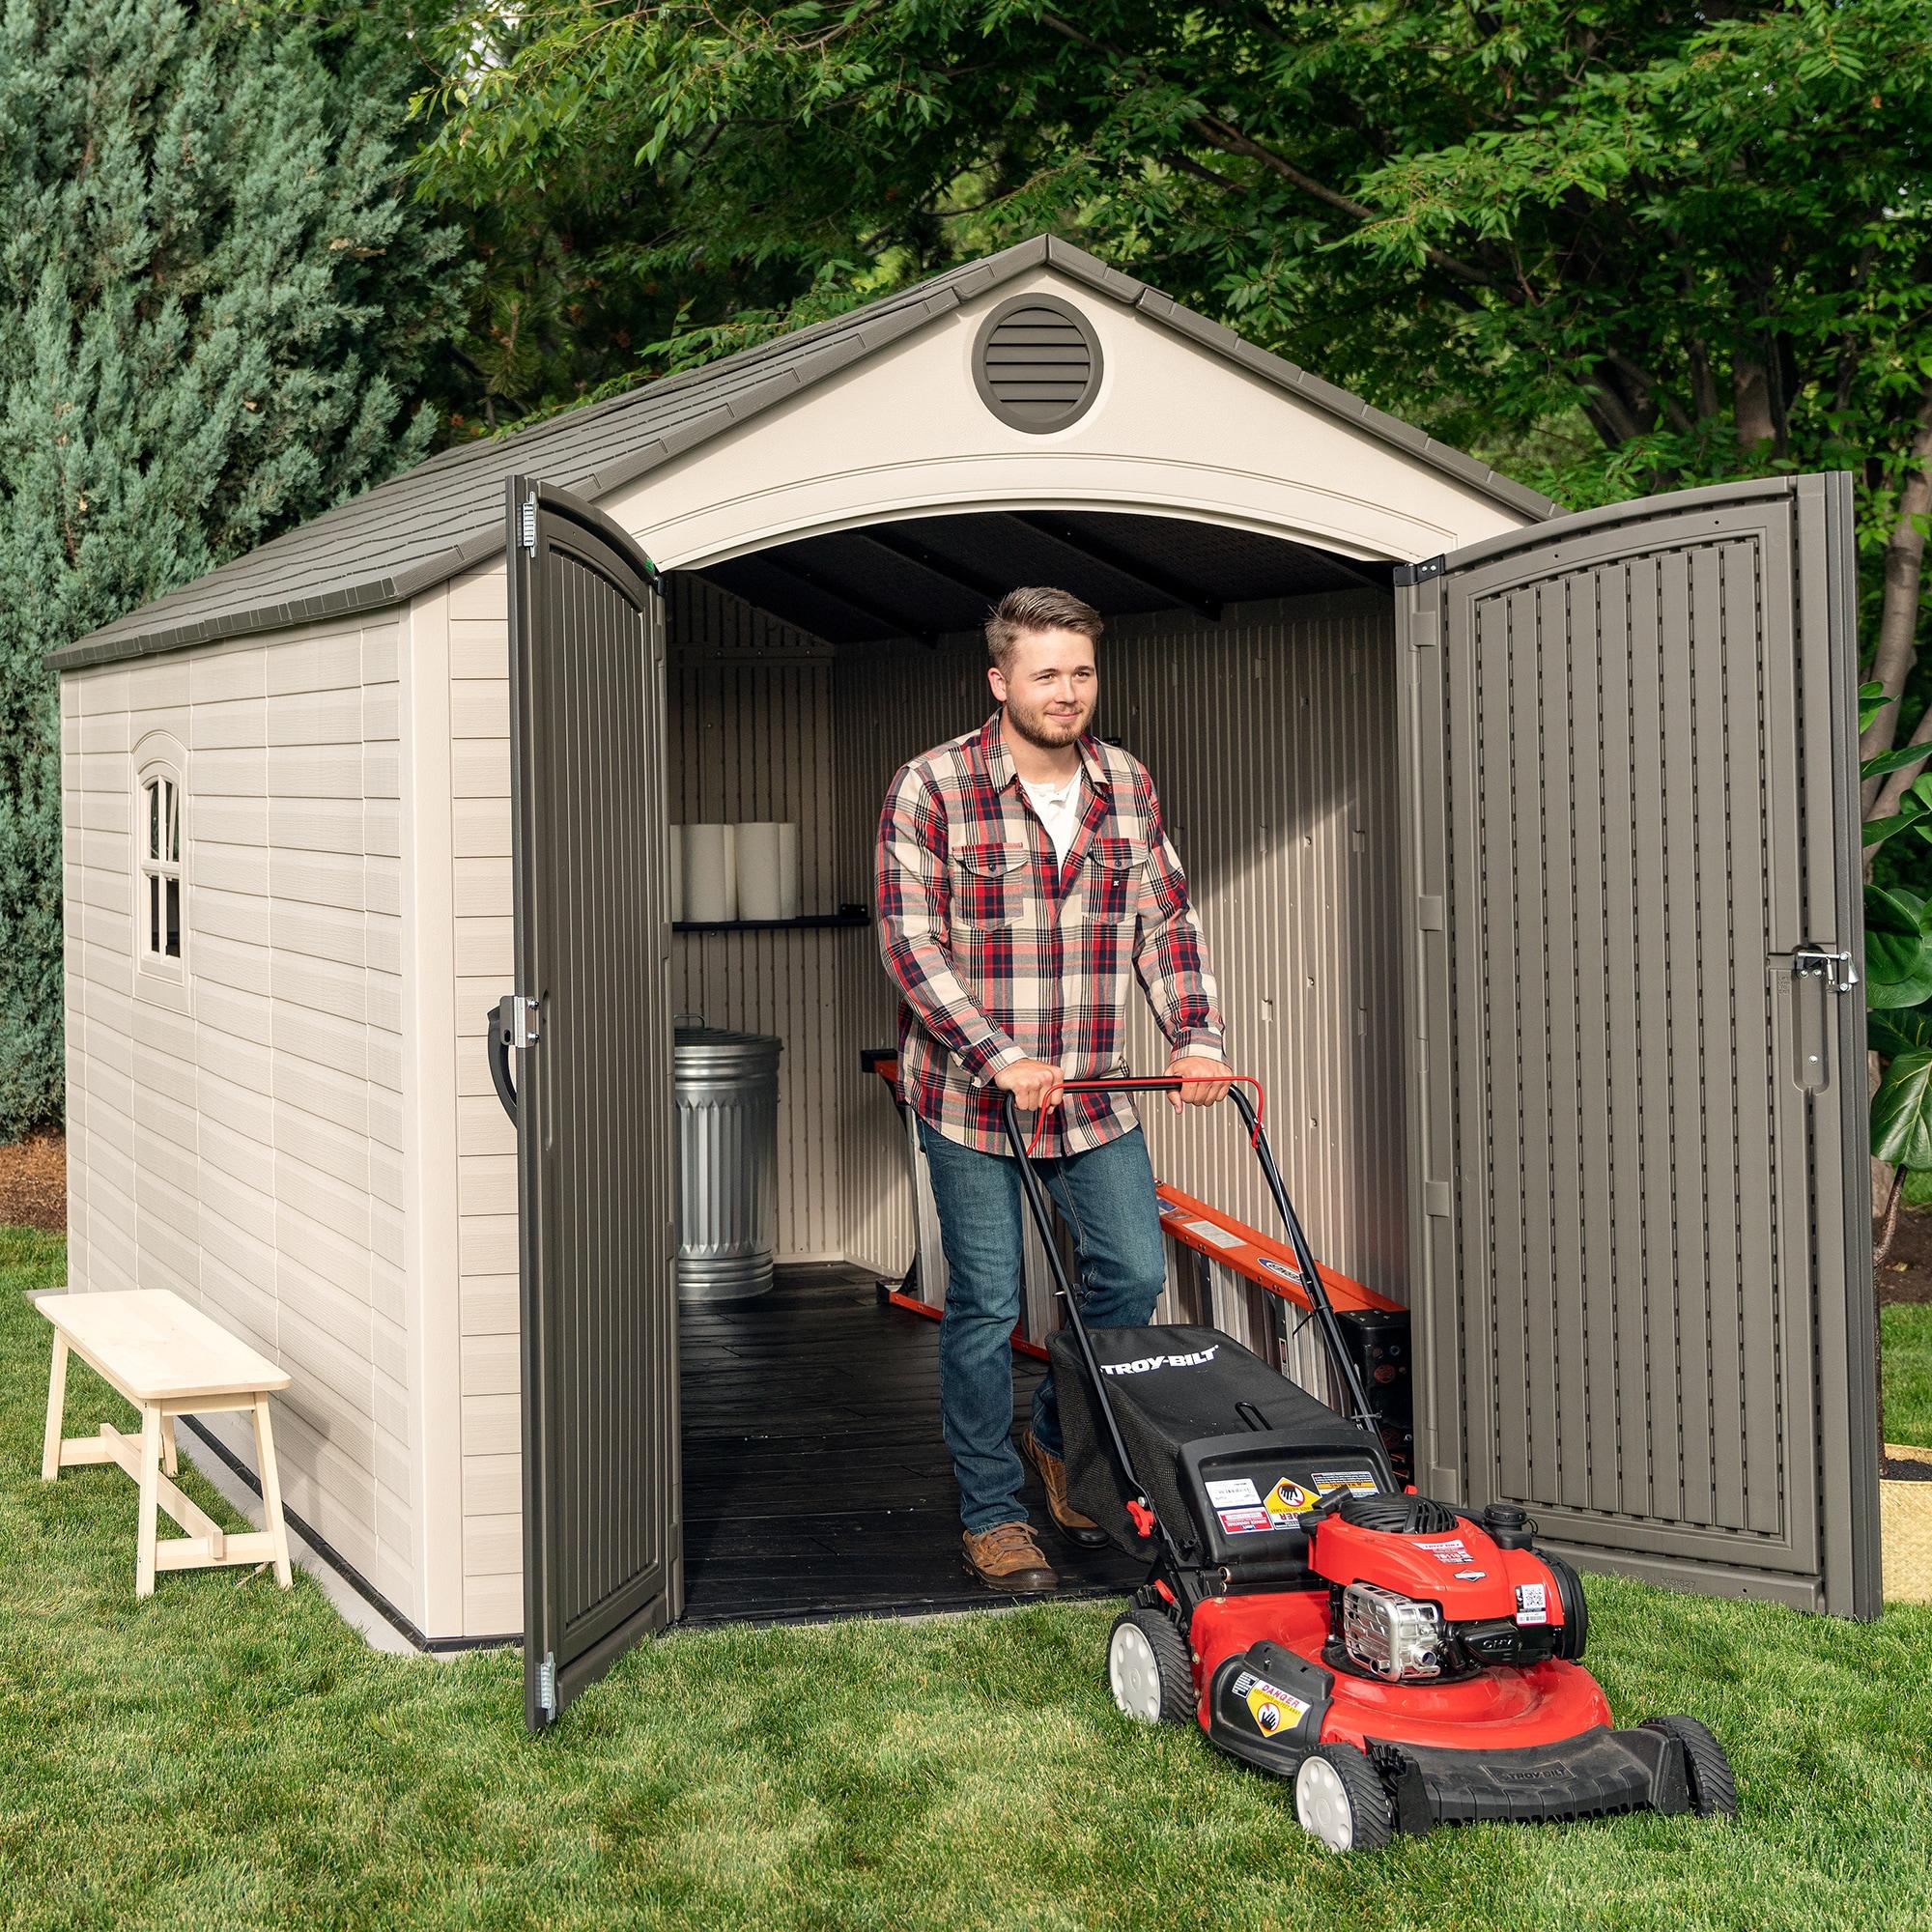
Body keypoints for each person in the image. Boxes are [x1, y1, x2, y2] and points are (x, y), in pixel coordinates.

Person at [875, 584, 1230, 1591]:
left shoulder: (1123, 780)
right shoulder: (933, 785)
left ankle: (1054, 1436)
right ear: (1000, 680)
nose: (1066, 691)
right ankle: (991, 1510)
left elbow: (1163, 920)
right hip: (970, 1098)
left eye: (1080, 671)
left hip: (1092, 1089)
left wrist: (1195, 1035)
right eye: (1045, 674)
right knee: (986, 1303)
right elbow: (910, 944)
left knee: (1129, 1279)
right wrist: (998, 1054)